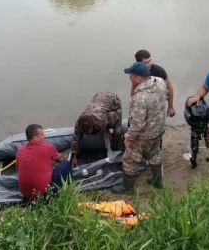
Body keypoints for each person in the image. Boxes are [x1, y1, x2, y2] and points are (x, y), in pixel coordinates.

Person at [112, 62, 168, 193]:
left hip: (144, 136)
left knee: (130, 159)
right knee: (154, 152)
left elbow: (137, 124)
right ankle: (157, 180)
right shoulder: (160, 82)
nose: (129, 78)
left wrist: (128, 138)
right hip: (158, 130)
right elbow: (166, 95)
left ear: (138, 78)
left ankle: (127, 187)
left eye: (131, 76)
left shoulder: (140, 97)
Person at [16, 124, 71, 200]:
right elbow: (61, 159)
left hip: (26, 194)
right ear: (35, 138)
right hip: (44, 193)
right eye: (42, 134)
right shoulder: (48, 147)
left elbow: (18, 168)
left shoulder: (20, 150)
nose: (44, 136)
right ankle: (68, 184)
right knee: (66, 164)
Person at [70, 91, 122, 167]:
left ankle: (117, 148)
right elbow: (76, 138)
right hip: (98, 98)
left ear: (93, 125)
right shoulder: (79, 122)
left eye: (89, 132)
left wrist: (107, 131)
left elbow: (106, 123)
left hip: (114, 100)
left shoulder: (100, 120)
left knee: (117, 131)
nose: (88, 135)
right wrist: (74, 155)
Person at [133, 50, 175, 117]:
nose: (149, 64)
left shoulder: (158, 70)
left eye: (150, 60)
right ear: (139, 64)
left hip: (158, 100)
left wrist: (171, 107)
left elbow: (170, 87)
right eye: (146, 62)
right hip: (143, 101)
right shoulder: (136, 72)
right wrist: (133, 105)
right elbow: (133, 88)